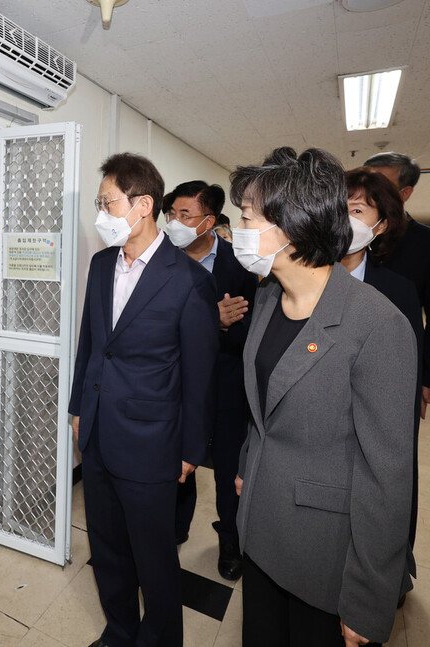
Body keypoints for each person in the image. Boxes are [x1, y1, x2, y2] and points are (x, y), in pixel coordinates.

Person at [232, 147, 416, 646]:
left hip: (322, 556)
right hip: (260, 531)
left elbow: (388, 476)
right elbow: (264, 405)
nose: (238, 231)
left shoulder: (377, 326)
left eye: (246, 218)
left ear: (291, 226)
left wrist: (367, 598)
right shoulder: (270, 298)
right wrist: (249, 462)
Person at [70, 153, 219, 647]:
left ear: (143, 205)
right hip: (96, 432)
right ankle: (118, 631)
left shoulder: (189, 280)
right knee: (108, 549)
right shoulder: (99, 265)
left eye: (107, 202)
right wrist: (76, 409)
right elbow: (90, 345)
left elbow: (199, 376)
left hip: (153, 443)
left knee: (153, 558)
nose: (101, 213)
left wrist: (191, 451)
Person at [166, 180, 257, 581]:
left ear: (209, 221)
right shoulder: (163, 262)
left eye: (184, 215)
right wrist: (210, 321)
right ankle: (175, 527)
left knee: (225, 468)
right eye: (171, 214)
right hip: (175, 385)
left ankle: (230, 540)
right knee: (177, 461)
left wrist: (216, 326)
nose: (174, 223)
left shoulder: (241, 266)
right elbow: (156, 327)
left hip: (224, 384)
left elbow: (248, 330)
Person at [342, 167, 424, 554]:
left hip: (367, 434)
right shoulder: (292, 283)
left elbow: (401, 388)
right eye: (337, 207)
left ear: (380, 227)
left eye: (357, 210)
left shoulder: (398, 293)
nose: (343, 219)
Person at [364, 152, 430, 419]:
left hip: (399, 367)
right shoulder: (344, 238)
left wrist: (427, 379)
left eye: (379, 185)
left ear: (404, 193)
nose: (368, 193)